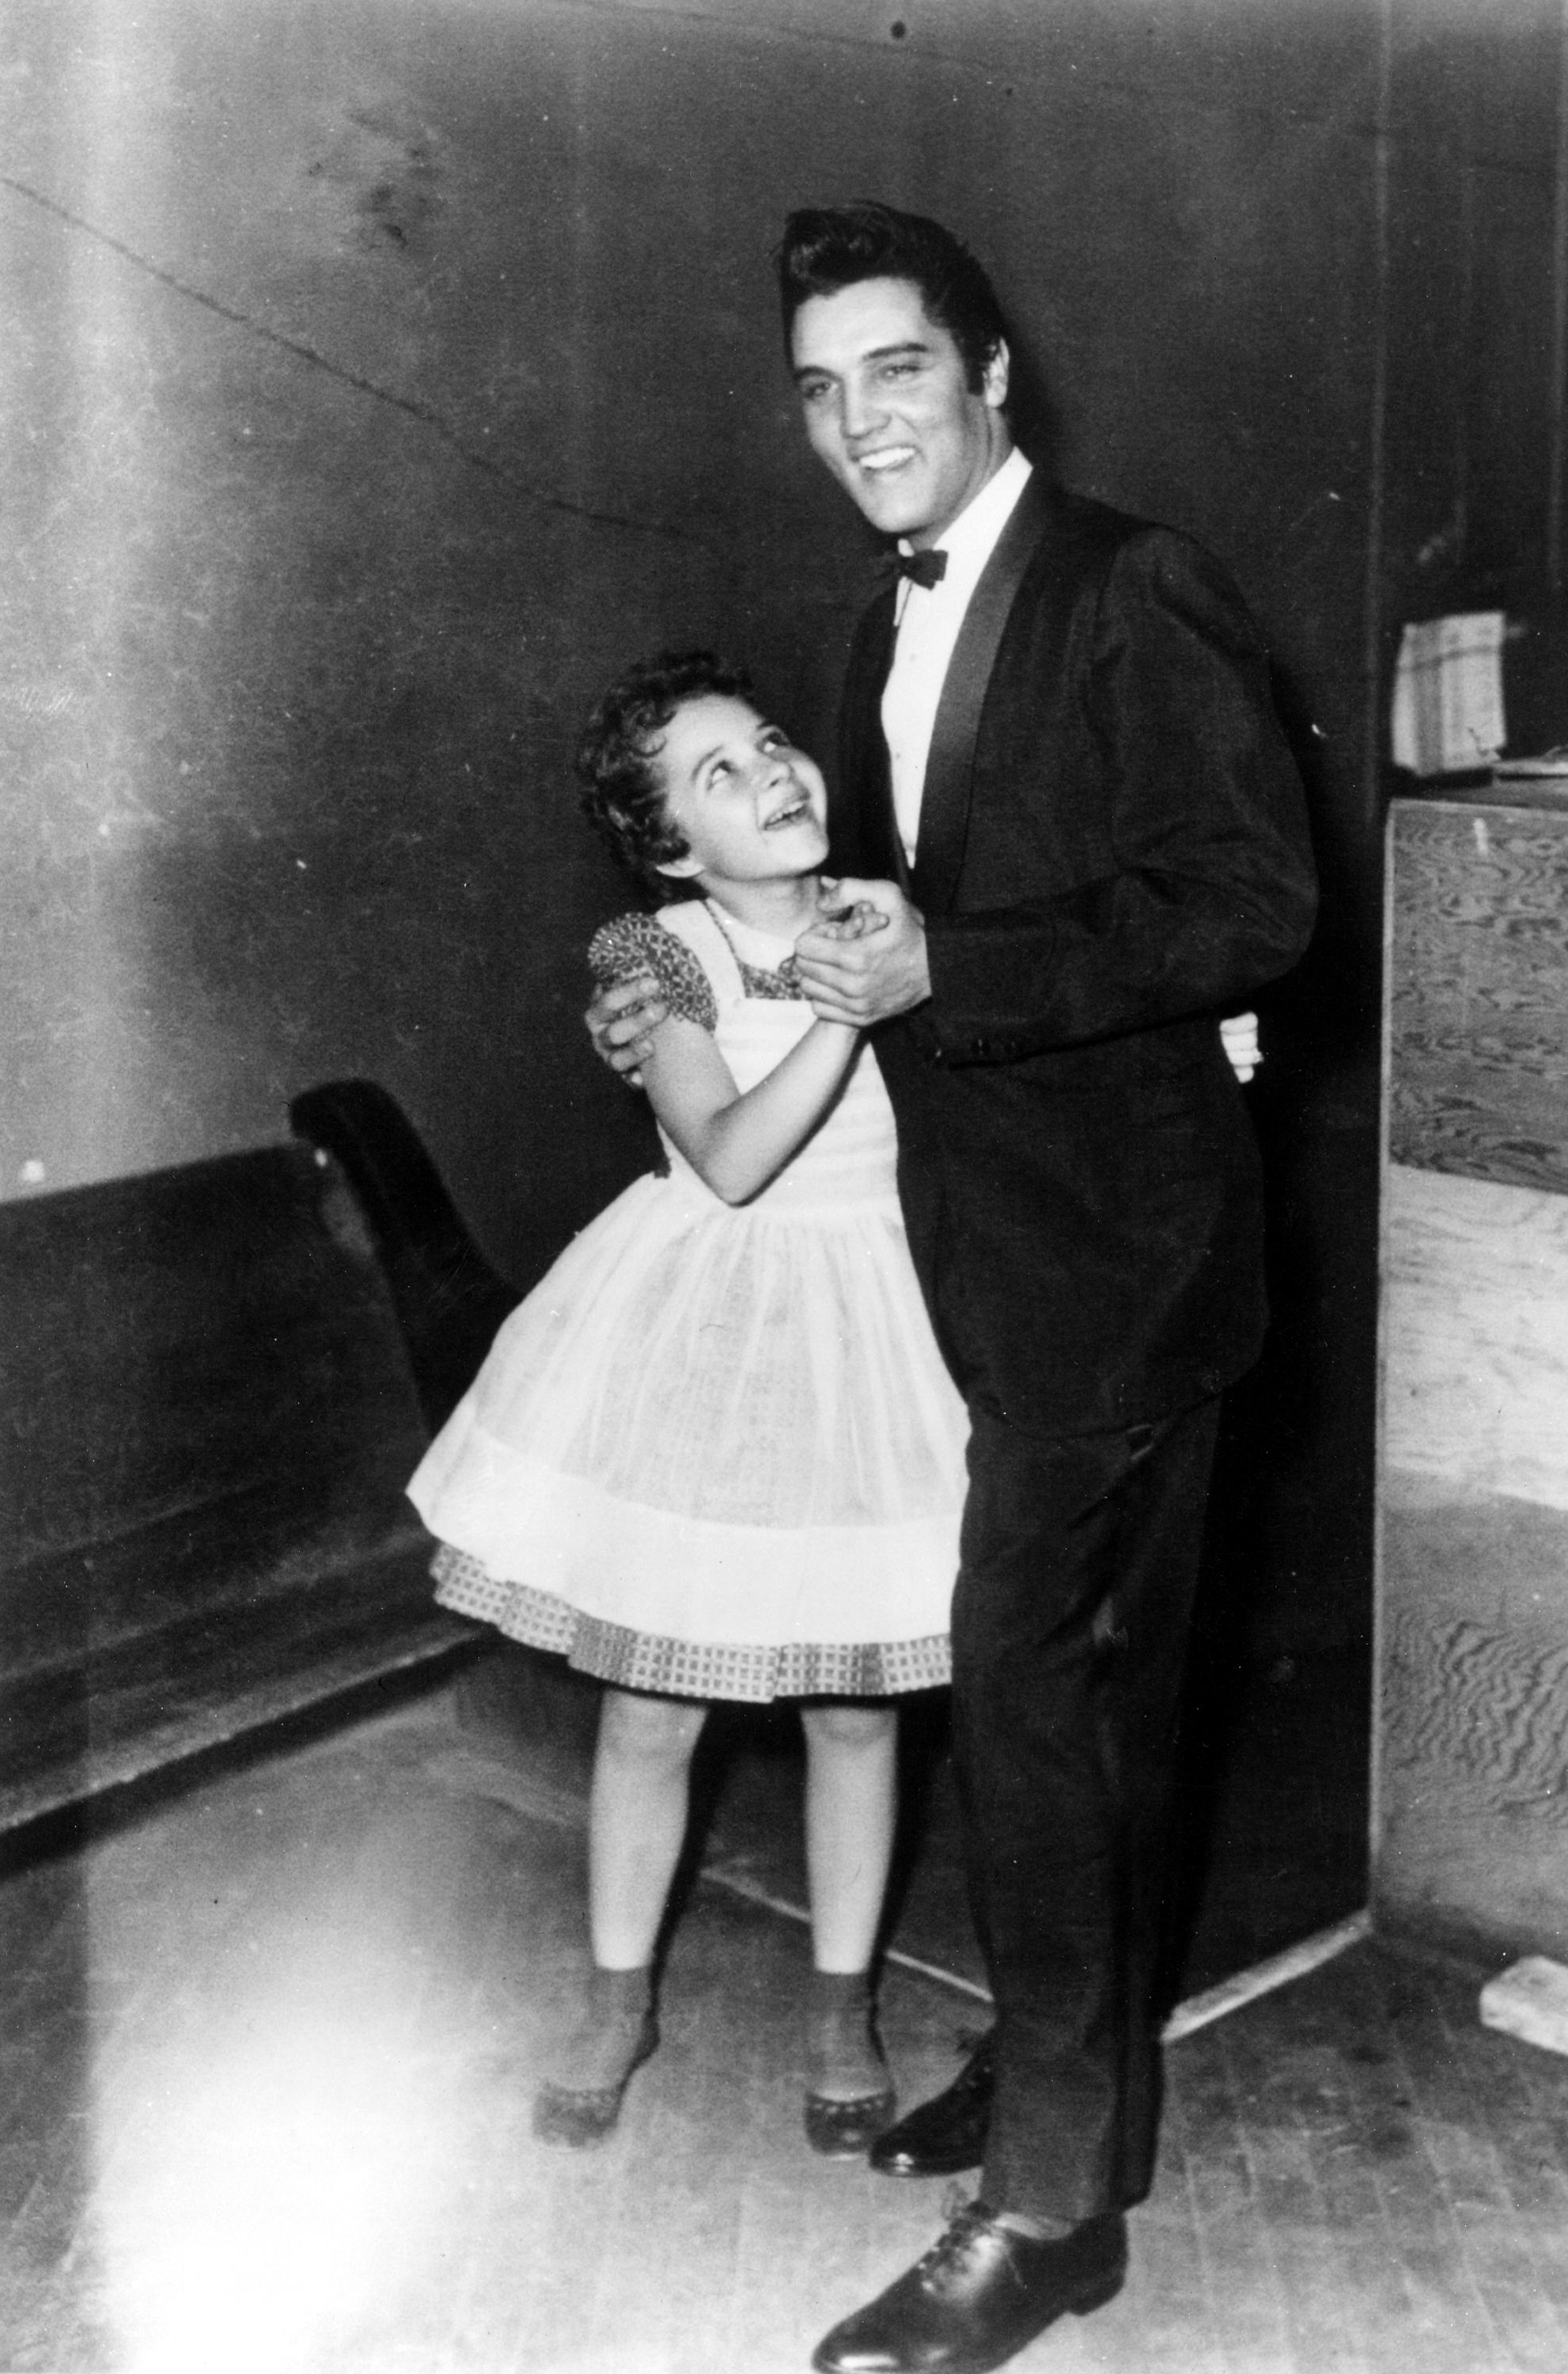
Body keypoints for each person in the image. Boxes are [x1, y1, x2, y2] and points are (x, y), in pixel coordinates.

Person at [589, 202, 1317, 2374]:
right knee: (1077, 1708)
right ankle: (1066, 2078)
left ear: (992, 376)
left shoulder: (1128, 579)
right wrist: (678, 967)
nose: (857, 421)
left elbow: (1259, 900)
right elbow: (859, 902)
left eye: (897, 370)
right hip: (981, 1264)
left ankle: (1056, 2212)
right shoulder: (863, 634)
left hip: (1125, 1267)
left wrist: (961, 969)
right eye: (821, 390)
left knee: (1034, 1694)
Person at [408, 649, 971, 2160]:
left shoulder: (898, 908)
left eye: (774, 742)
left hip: (885, 1329)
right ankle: (615, 1994)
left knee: (861, 1705)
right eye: (720, 773)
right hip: (708, 1332)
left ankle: (842, 2004)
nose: (775, 773)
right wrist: (850, 1014)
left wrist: (899, 968)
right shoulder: (652, 956)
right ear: (672, 847)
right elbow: (725, 1155)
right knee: (653, 1702)